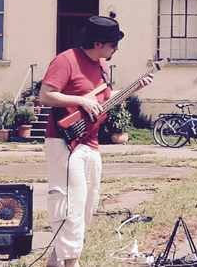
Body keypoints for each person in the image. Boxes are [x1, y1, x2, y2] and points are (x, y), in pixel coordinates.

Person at [39, 15, 152, 267]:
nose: (116, 49)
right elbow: (45, 95)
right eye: (113, 44)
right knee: (71, 202)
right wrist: (80, 101)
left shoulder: (100, 66)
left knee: (88, 203)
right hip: (65, 142)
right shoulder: (66, 60)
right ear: (98, 43)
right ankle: (72, 263)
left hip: (90, 141)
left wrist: (133, 89)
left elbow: (103, 102)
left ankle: (57, 260)